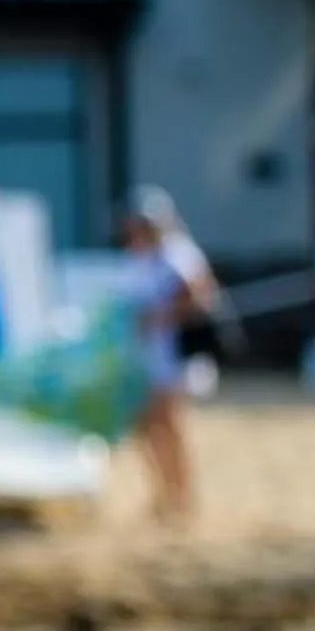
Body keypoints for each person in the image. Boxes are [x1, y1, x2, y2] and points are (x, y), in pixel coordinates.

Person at [126, 186, 218, 524]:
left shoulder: (178, 254)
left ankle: (180, 496)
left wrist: (160, 316)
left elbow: (201, 297)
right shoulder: (142, 257)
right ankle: (165, 493)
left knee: (169, 425)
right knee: (145, 426)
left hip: (173, 356)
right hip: (148, 356)